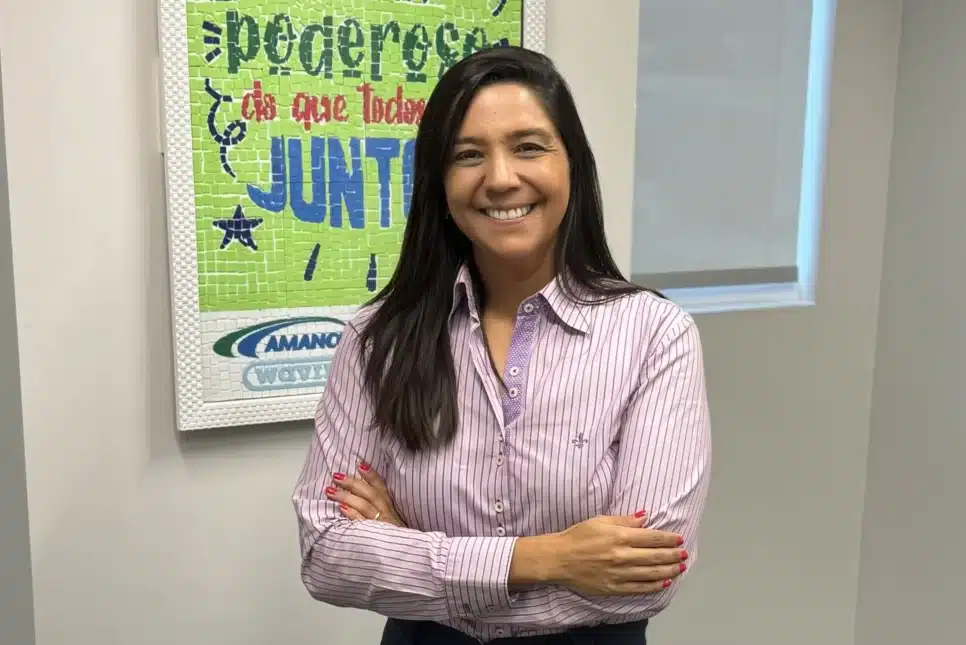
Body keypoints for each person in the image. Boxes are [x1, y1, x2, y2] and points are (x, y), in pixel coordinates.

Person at [292, 45, 711, 645]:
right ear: (439, 182)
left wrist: (411, 551)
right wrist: (548, 558)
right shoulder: (378, 339)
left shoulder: (653, 335)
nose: (500, 178)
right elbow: (327, 554)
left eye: (528, 147)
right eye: (468, 155)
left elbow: (645, 580)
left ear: (573, 164)